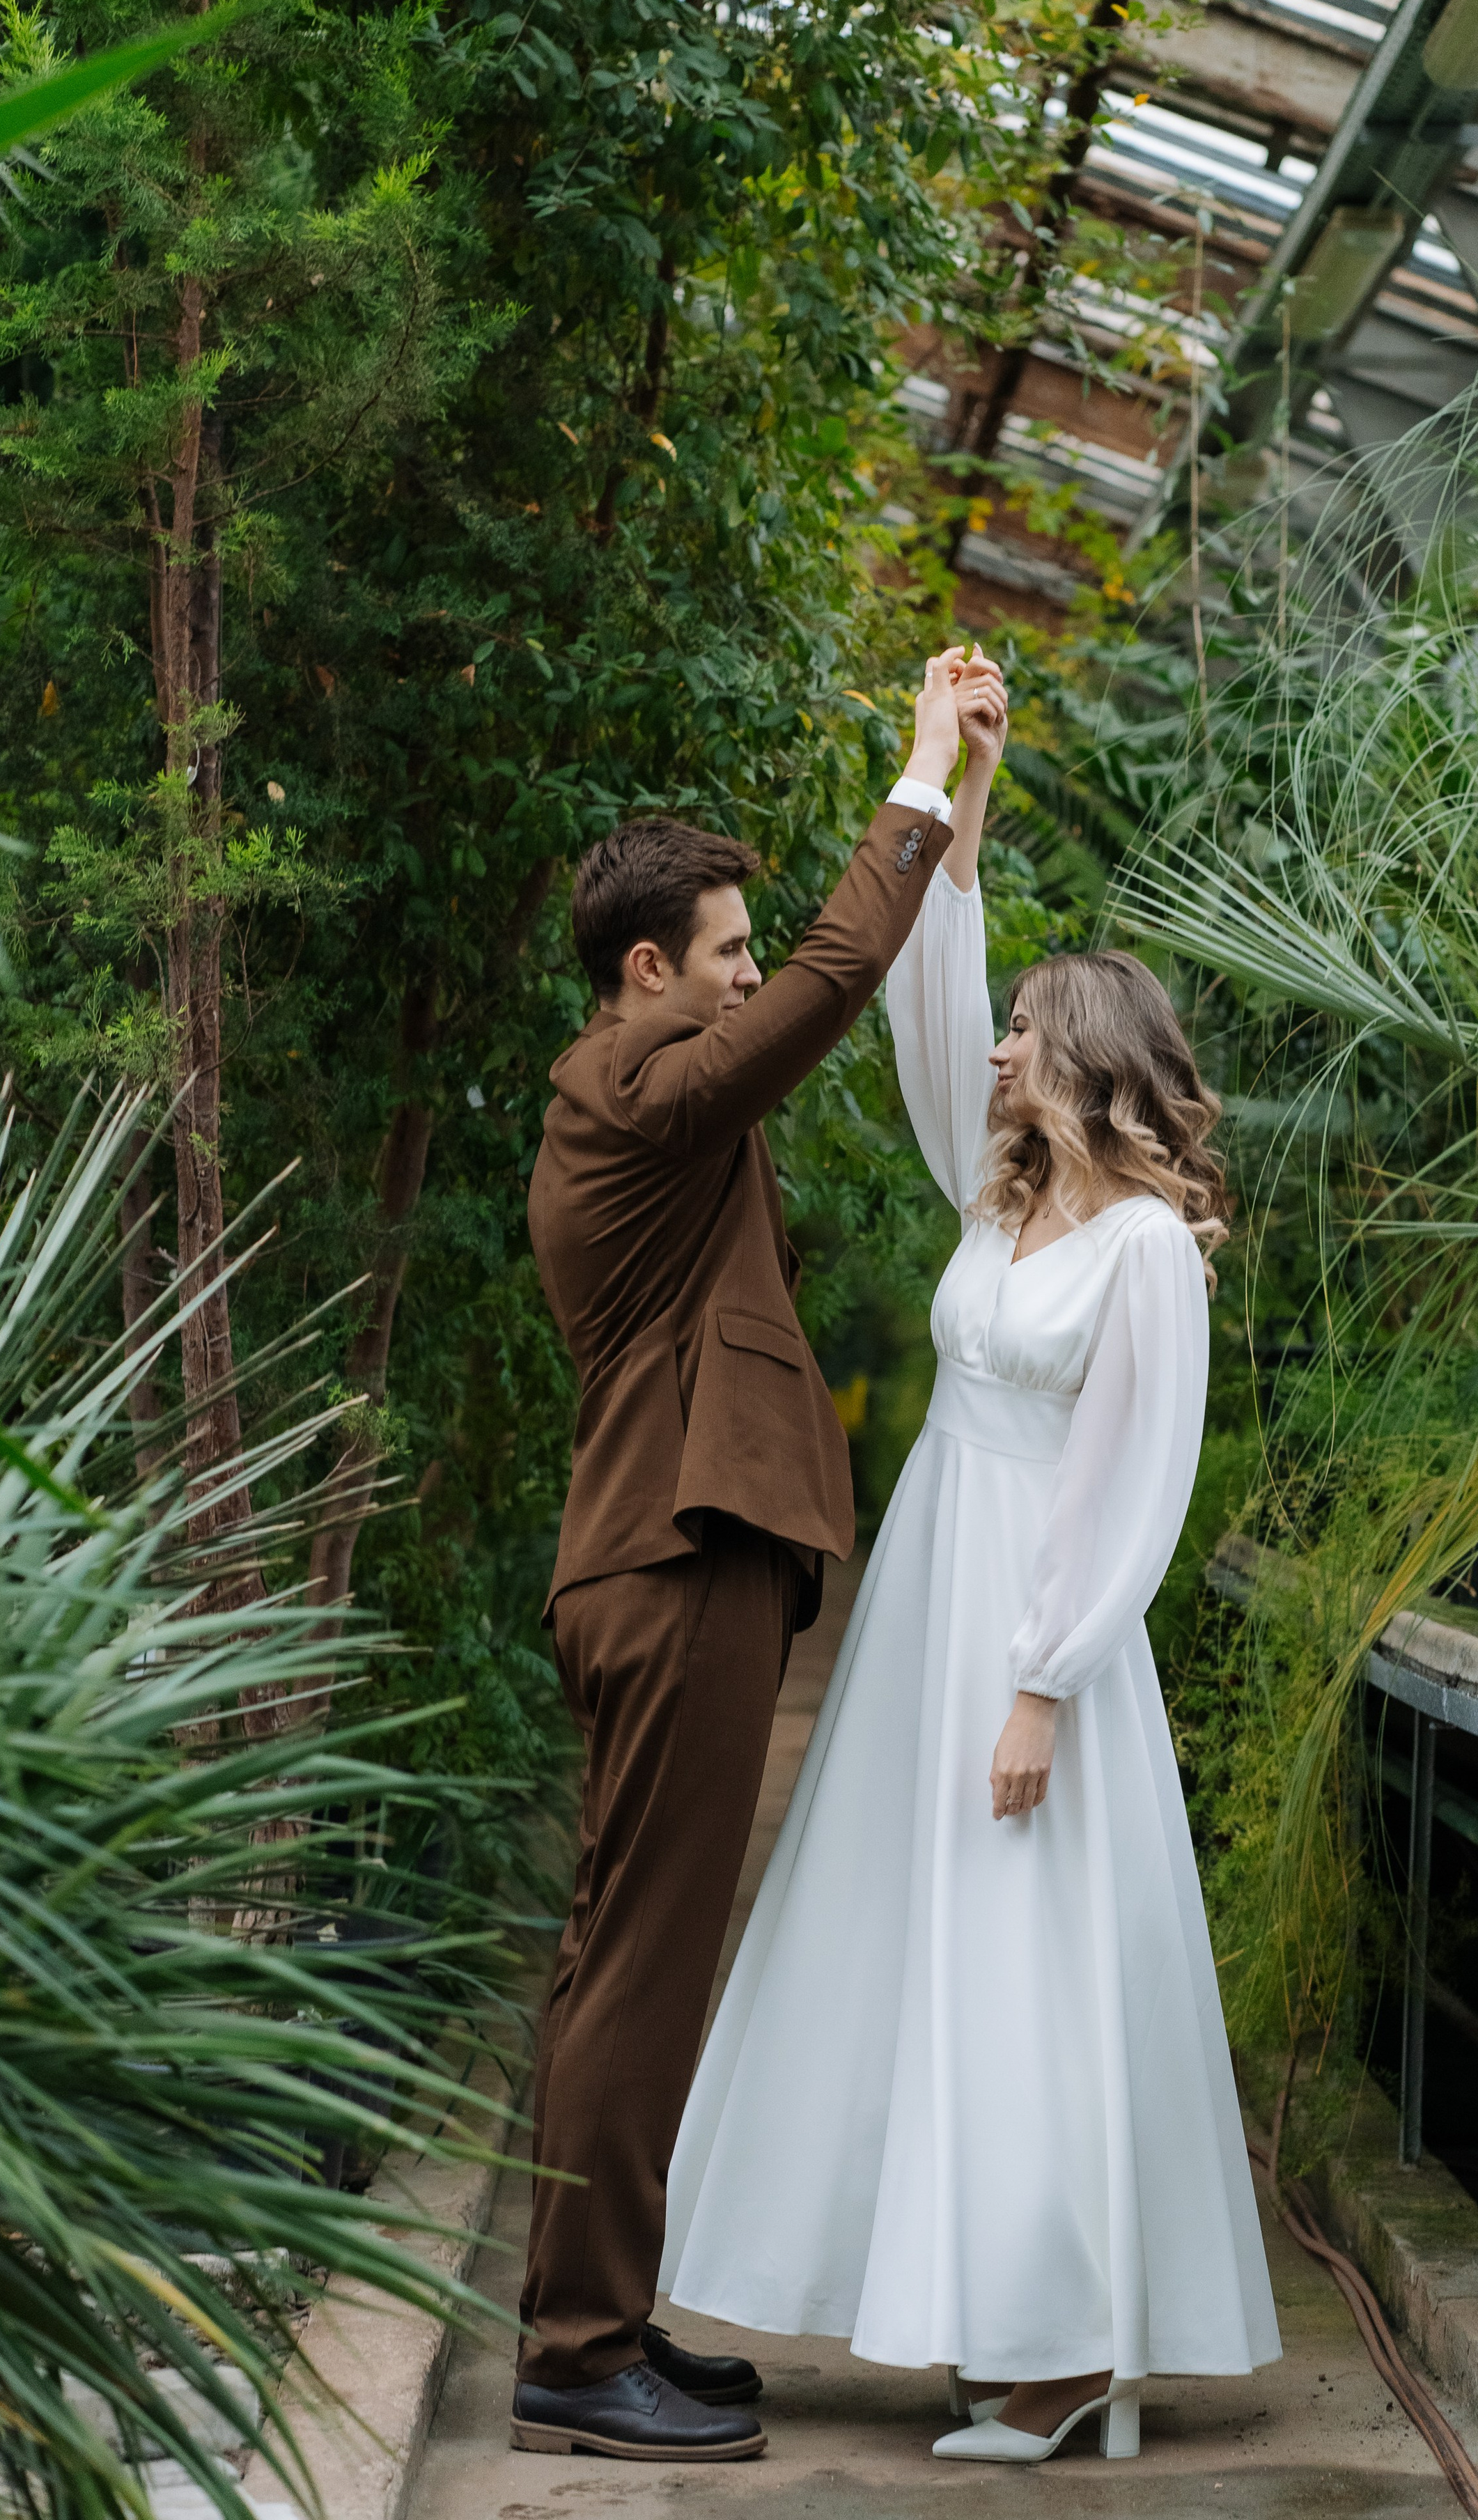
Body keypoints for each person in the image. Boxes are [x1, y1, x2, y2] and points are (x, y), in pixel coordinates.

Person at [659, 678, 1281, 2461]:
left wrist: (1043, 1678)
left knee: (1029, 1954)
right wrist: (960, 794)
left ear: (1085, 1062)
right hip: (932, 1598)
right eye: (1003, 1035)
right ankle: (973, 2307)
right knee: (925, 1940)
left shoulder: (1149, 1253)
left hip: (1030, 1619)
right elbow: (929, 1003)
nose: (996, 1055)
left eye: (1026, 1037)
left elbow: (1132, 1491)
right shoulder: (996, 1204)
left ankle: (1068, 2344)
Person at [513, 647, 1008, 2464]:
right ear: (651, 969)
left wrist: (963, 801)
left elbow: (810, 988)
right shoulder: (625, 1093)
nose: (745, 974)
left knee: (619, 1952)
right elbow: (825, 985)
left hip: (669, 1560)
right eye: (719, 950)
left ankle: (595, 2320)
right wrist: (906, 772)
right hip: (672, 1559)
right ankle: (580, 2347)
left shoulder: (642, 1098)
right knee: (643, 1958)